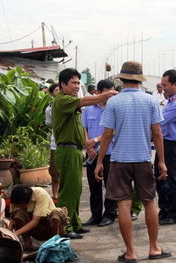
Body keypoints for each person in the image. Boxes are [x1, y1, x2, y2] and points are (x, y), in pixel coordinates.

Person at [94, 61, 171, 262]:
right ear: (139, 79)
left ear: (122, 78)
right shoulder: (151, 100)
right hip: (144, 158)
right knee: (149, 203)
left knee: (124, 205)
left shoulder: (114, 102)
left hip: (120, 160)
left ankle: (130, 252)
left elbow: (107, 135)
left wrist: (100, 161)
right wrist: (161, 161)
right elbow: (157, 133)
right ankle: (154, 248)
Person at [52, 68, 117, 239]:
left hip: (74, 150)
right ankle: (64, 227)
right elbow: (86, 101)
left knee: (76, 189)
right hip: (66, 150)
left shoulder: (70, 101)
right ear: (63, 84)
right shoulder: (63, 100)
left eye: (78, 83)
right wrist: (105, 95)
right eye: (73, 83)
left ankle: (75, 223)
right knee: (68, 191)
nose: (76, 86)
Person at [81, 79, 117, 227]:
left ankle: (109, 214)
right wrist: (88, 145)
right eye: (108, 93)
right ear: (99, 92)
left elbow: (112, 131)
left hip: (109, 152)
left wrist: (94, 140)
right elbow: (84, 128)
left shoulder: (114, 108)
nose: (111, 95)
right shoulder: (88, 109)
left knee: (110, 185)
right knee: (94, 185)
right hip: (92, 154)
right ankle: (95, 215)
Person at [156, 69, 176, 226]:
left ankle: (174, 213)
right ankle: (165, 210)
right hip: (164, 142)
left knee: (170, 179)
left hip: (170, 144)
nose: (163, 88)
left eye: (165, 85)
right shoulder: (172, 100)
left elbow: (159, 122)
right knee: (160, 178)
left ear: (175, 84)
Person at [10, 184, 69, 249]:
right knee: (18, 213)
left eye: (22, 206)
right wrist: (8, 233)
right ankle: (27, 242)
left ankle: (54, 243)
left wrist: (14, 234)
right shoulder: (15, 198)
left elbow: (35, 221)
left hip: (49, 226)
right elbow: (12, 220)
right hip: (36, 230)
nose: (20, 207)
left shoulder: (40, 194)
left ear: (28, 200)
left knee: (56, 213)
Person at [45, 83, 60, 200]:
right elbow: (49, 124)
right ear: (51, 93)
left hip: (68, 144)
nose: (58, 92)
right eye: (56, 90)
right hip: (55, 143)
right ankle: (55, 195)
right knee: (54, 171)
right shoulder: (49, 109)